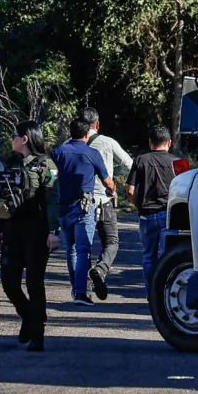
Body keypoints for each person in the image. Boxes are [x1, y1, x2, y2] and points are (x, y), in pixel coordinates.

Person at [0, 121, 61, 350]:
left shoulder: (45, 164)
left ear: (24, 139)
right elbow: (4, 199)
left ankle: (37, 334)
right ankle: (29, 317)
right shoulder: (10, 164)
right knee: (9, 283)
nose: (10, 139)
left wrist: (53, 231)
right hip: (12, 229)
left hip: (36, 230)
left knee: (34, 282)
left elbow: (52, 200)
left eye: (14, 135)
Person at [51, 117, 115, 306]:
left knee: (70, 249)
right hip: (84, 207)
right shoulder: (92, 153)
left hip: (63, 207)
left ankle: (75, 288)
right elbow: (106, 179)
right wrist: (112, 190)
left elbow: (51, 177)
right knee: (83, 250)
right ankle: (81, 293)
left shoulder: (57, 152)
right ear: (87, 134)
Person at [81, 107, 132, 301]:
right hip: (104, 201)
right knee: (111, 242)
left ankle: (83, 288)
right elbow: (129, 164)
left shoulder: (72, 145)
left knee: (83, 246)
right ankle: (100, 270)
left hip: (81, 202)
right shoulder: (108, 142)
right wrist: (113, 173)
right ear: (98, 124)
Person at [126, 124, 179, 295]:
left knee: (149, 257)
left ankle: (151, 293)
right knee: (167, 258)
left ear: (150, 143)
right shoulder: (178, 163)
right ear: (169, 142)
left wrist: (139, 206)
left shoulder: (141, 160)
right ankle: (164, 294)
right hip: (169, 215)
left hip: (146, 215)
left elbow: (130, 191)